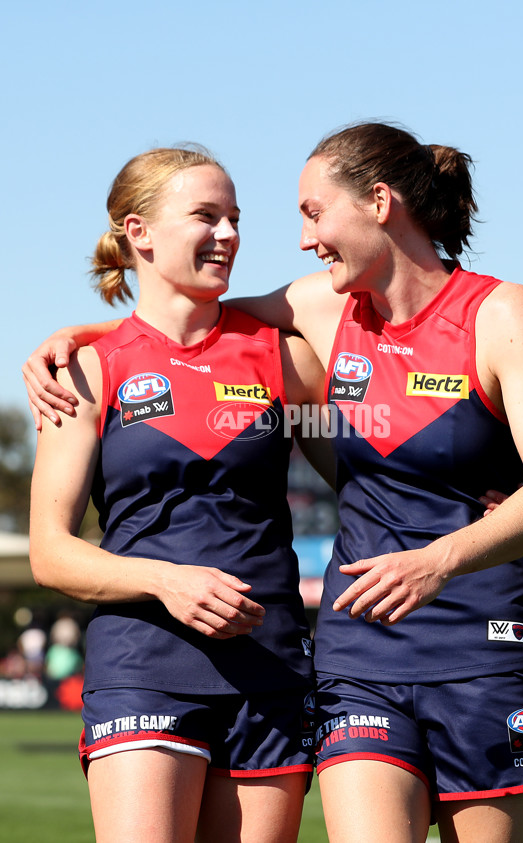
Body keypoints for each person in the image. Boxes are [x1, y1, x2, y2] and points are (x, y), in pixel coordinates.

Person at [24, 121, 523, 843]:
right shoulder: (319, 310)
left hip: (465, 639)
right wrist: (78, 336)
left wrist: (445, 553)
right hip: (345, 653)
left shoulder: (485, 314)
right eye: (210, 216)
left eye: (311, 213)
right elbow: (172, 324)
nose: (293, 237)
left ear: (378, 203)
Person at [28, 144, 330, 843]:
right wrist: (167, 581)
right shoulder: (86, 372)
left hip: (270, 663)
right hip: (142, 663)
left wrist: (477, 496)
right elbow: (50, 550)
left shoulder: (285, 357)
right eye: (206, 216)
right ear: (139, 232)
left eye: (234, 218)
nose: (228, 235)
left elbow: (370, 475)